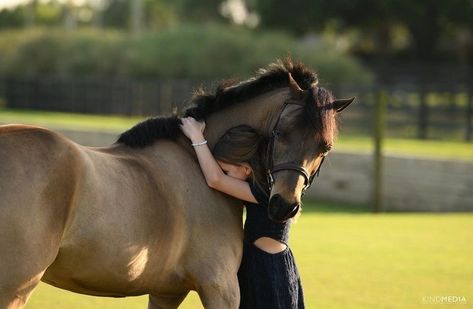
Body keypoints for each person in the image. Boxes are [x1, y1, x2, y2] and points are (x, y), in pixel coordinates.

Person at [180, 116, 305, 309]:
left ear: (246, 168)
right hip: (258, 264)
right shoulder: (265, 184)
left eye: (228, 170)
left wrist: (196, 136)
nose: (226, 175)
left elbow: (215, 179)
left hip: (267, 271)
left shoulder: (264, 191)